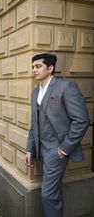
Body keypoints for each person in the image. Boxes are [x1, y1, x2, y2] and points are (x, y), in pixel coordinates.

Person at [25, 53, 90, 217]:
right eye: (33, 67)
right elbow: (35, 124)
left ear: (50, 68)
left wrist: (64, 149)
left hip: (57, 150)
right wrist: (29, 150)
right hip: (41, 150)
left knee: (48, 194)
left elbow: (82, 120)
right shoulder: (35, 93)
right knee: (53, 193)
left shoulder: (66, 87)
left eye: (38, 66)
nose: (34, 70)